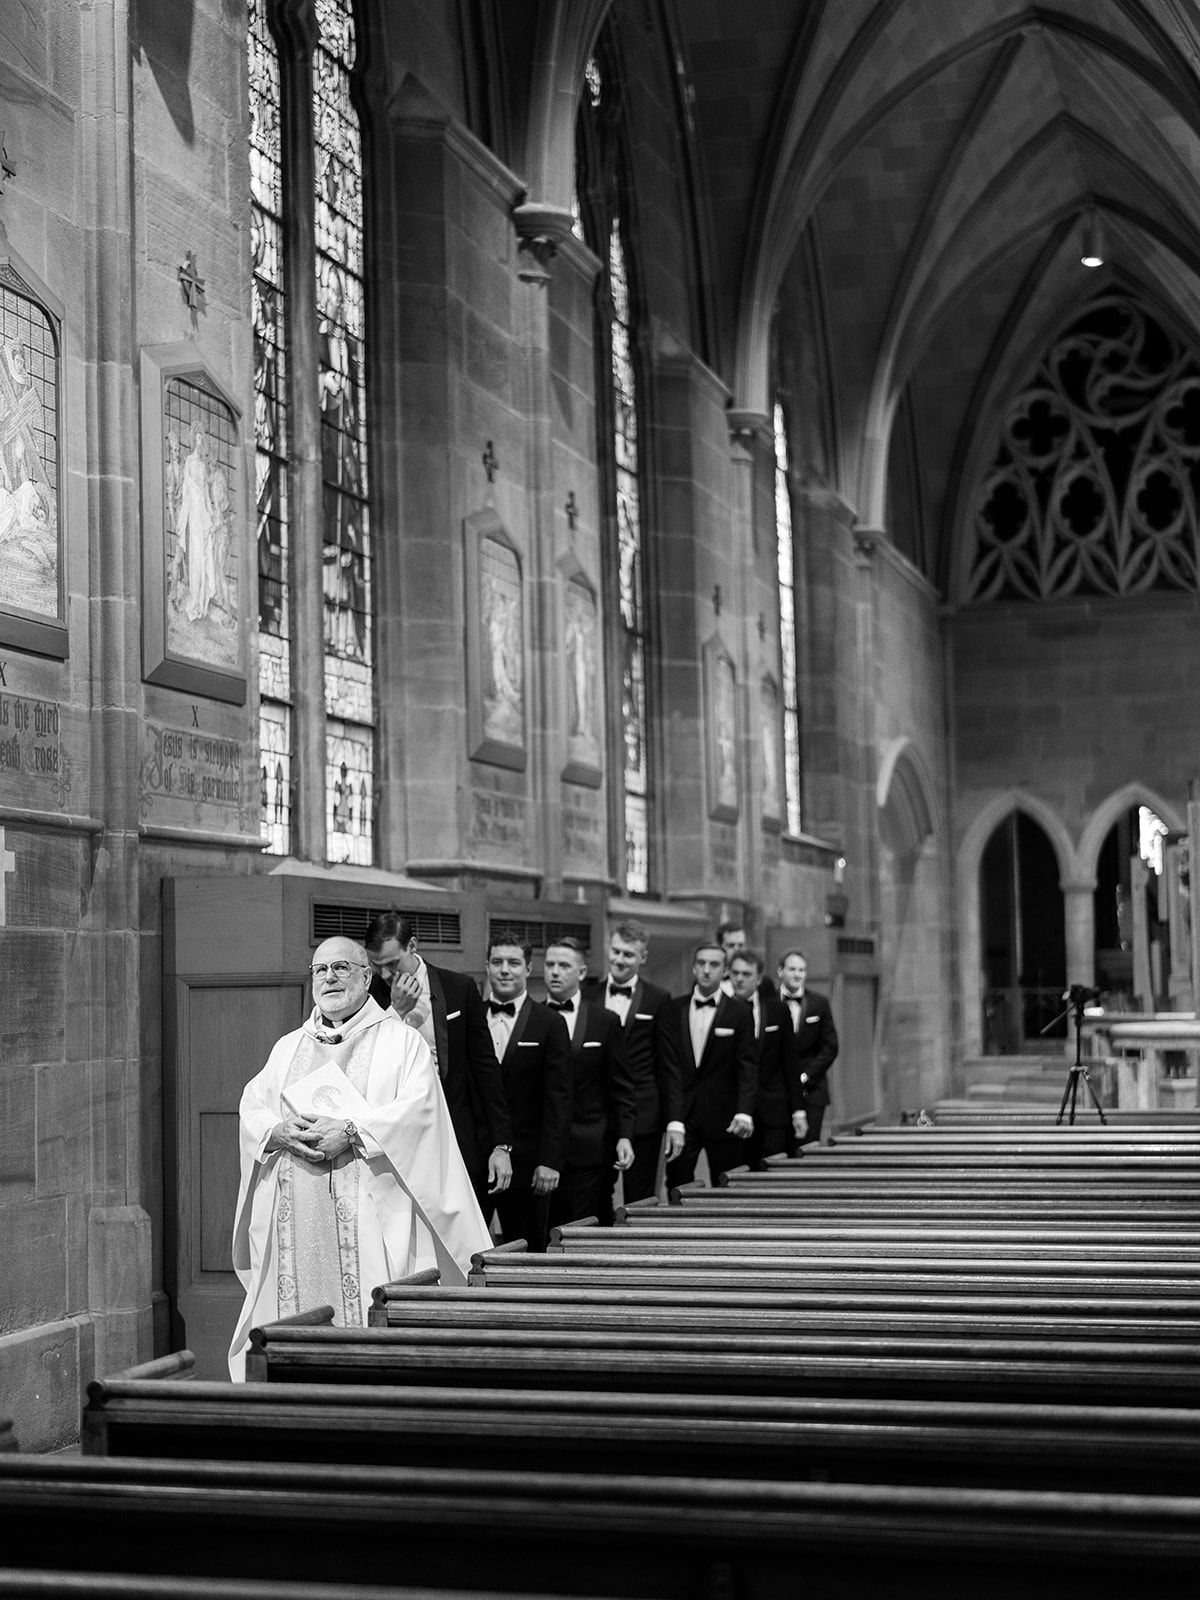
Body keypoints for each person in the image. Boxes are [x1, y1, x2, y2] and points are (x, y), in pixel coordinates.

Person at [228, 937, 491, 1379]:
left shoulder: (400, 1043)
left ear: (367, 977)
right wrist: (275, 1130)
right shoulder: (288, 1047)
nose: (329, 978)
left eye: (341, 968)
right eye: (320, 970)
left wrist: (351, 1132)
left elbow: (420, 1112)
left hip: (371, 1214)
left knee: (370, 1319)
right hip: (294, 1214)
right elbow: (253, 1104)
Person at [364, 910, 512, 1214]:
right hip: (401, 1135)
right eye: (376, 966)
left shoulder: (459, 987)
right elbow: (368, 1063)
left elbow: (485, 1068)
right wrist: (396, 1011)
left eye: (392, 963)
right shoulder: (370, 998)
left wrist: (502, 1144)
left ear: (413, 946)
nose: (385, 974)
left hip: (458, 1128)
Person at [581, 919, 683, 1204]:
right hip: (597, 1114)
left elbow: (669, 1064)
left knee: (641, 1199)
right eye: (615, 951)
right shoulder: (588, 997)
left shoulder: (659, 999)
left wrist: (675, 1121)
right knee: (596, 1196)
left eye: (628, 954)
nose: (619, 960)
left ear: (643, 957)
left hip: (645, 1114)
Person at [484, 937, 573, 1251]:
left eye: (513, 963)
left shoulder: (549, 1022)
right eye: (497, 962)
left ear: (528, 968)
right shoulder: (472, 1017)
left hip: (529, 1163)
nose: (505, 970)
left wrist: (550, 1160)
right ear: (487, 967)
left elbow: (559, 1098)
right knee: (471, 1251)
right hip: (476, 1160)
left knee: (527, 1251)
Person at [543, 937, 637, 1227]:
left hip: (590, 1142)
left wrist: (625, 1135)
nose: (555, 972)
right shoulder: (532, 1016)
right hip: (542, 1147)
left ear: (581, 973)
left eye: (563, 965)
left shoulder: (604, 1020)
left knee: (584, 1225)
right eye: (549, 965)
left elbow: (620, 1084)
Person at [665, 942, 758, 1189]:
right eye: (701, 963)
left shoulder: (739, 1012)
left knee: (727, 1186)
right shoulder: (673, 1008)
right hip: (682, 1116)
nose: (706, 970)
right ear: (694, 968)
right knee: (676, 1186)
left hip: (725, 1115)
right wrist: (673, 1119)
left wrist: (744, 1111)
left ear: (725, 970)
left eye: (714, 964)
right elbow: (669, 1067)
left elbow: (747, 1065)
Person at [729, 950, 807, 1163]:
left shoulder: (777, 1010)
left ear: (759, 978)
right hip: (733, 1111)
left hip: (773, 1108)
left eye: (746, 974)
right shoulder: (722, 1011)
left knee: (774, 1174)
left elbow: (790, 1062)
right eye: (735, 973)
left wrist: (798, 1110)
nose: (740, 979)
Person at [777, 948, 839, 1146]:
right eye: (792, 969)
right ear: (780, 971)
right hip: (777, 1091)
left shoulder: (819, 1003)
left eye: (802, 970)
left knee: (807, 1148)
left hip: (812, 1089)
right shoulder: (768, 1003)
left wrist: (804, 1076)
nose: (797, 974)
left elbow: (830, 1047)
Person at [717, 920, 777, 999]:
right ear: (720, 947)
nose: (737, 950)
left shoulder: (764, 983)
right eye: (731, 946)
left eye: (740, 945)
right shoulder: (712, 979)